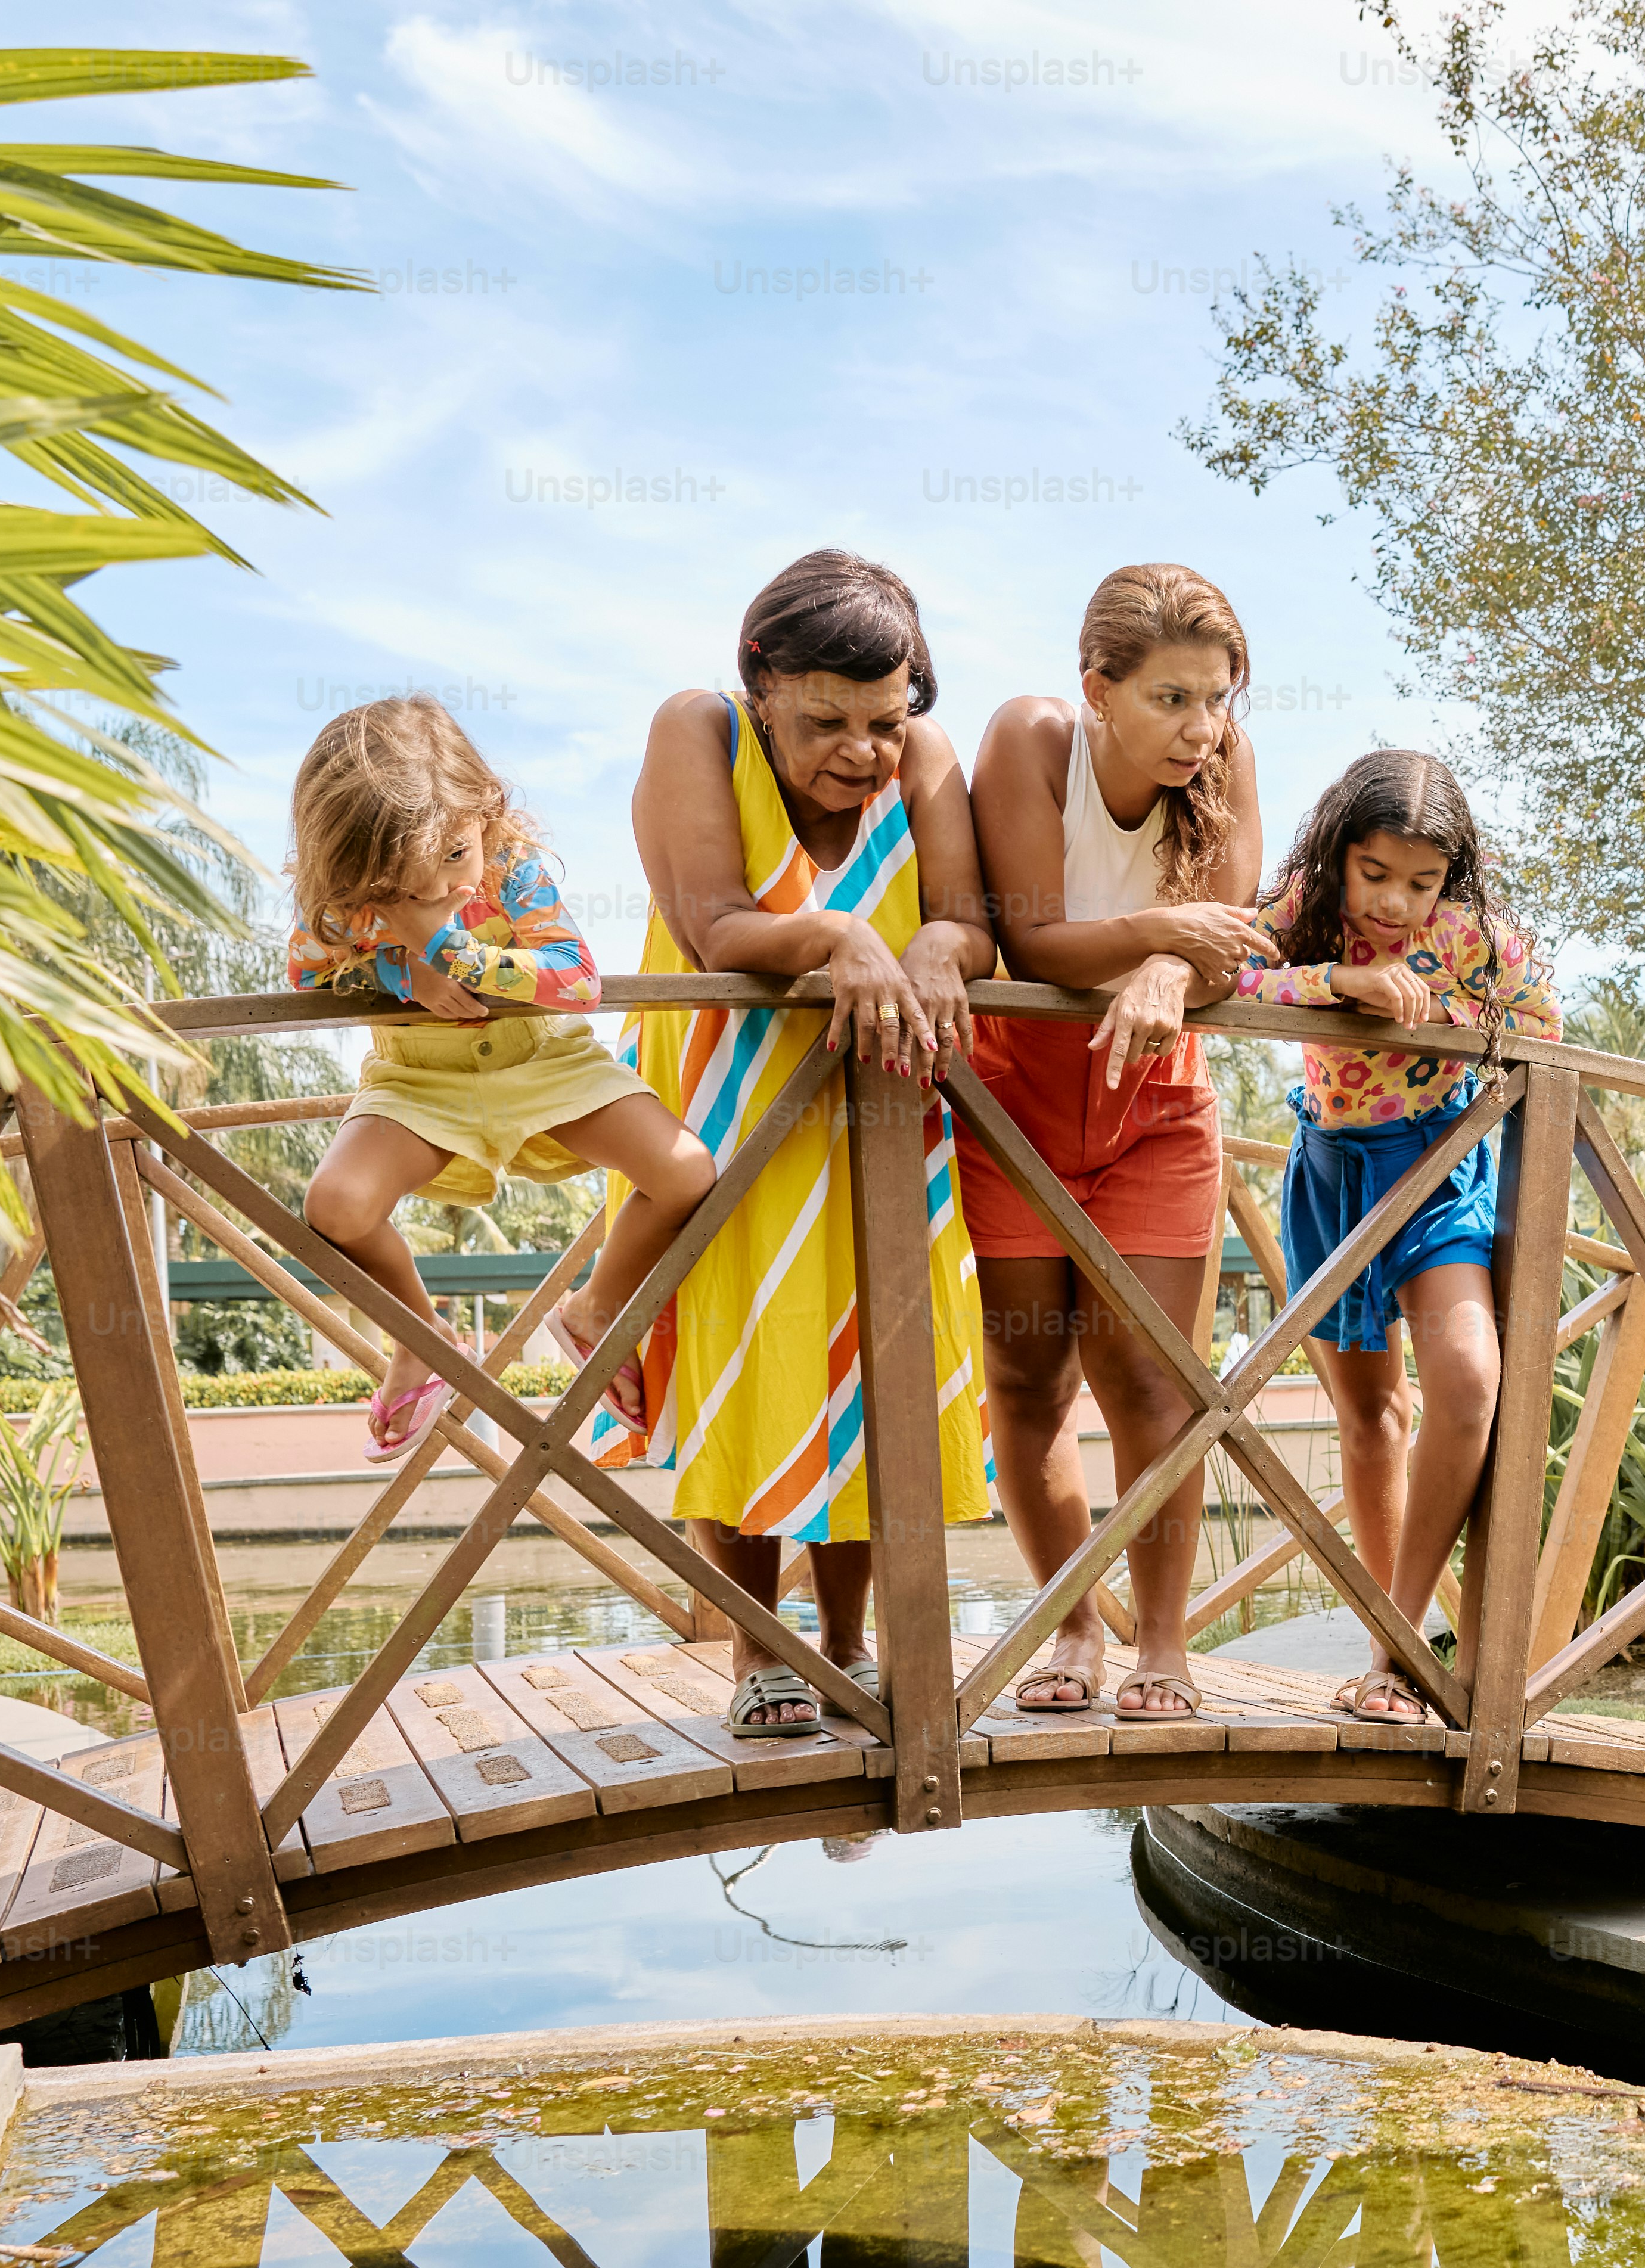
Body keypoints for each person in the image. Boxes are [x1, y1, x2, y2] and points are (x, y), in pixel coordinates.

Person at [614, 551, 992, 1735]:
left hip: (881, 1111)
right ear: (760, 682)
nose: (864, 751)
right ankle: (757, 1655)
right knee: (752, 1370)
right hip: (731, 1113)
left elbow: (971, 923)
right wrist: (838, 933)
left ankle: (847, 1642)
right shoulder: (699, 730)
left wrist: (935, 946)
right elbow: (712, 920)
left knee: (872, 1375)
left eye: (885, 721)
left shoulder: (923, 760)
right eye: (827, 720)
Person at [963, 564, 1276, 1725]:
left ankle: (1162, 1647)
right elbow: (1033, 942)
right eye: (1172, 701)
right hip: (1017, 1104)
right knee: (1026, 1379)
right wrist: (1157, 935)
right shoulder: (1029, 742)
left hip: (1156, 1107)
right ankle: (1069, 1625)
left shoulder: (1226, 765)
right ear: (1097, 688)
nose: (1204, 730)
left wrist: (1160, 964)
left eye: (1218, 698)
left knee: (1153, 1383)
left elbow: (1226, 942)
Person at [286, 697, 718, 1465]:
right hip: (418, 1085)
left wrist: (449, 951)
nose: (443, 891)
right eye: (406, 889)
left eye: (456, 859)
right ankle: (420, 1341)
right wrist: (396, 967)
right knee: (337, 1205)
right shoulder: (351, 896)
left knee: (685, 1170)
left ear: (485, 812)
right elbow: (303, 968)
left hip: (547, 1067)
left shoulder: (510, 869)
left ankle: (593, 1311)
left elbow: (576, 978)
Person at [1232, 752, 1559, 1725]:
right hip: (1330, 1172)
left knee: (1466, 1379)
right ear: (1341, 852)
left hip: (1436, 1163)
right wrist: (1340, 981)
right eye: (1376, 874)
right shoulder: (1306, 907)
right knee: (1369, 1414)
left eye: (1422, 882)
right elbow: (1231, 971)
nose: (1396, 904)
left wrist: (1444, 1016)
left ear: (1451, 874)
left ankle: (1401, 1642)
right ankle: (1388, 1645)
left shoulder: (1474, 938)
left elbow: (1541, 1025)